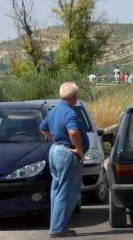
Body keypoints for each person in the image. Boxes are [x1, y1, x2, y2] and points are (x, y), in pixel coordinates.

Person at [40, 82, 89, 238]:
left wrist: (53, 138)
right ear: (74, 97)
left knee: (57, 191)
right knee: (67, 193)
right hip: (66, 153)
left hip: (54, 151)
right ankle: (58, 229)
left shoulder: (54, 111)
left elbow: (43, 127)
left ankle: (56, 226)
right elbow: (73, 132)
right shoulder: (69, 112)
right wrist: (79, 149)